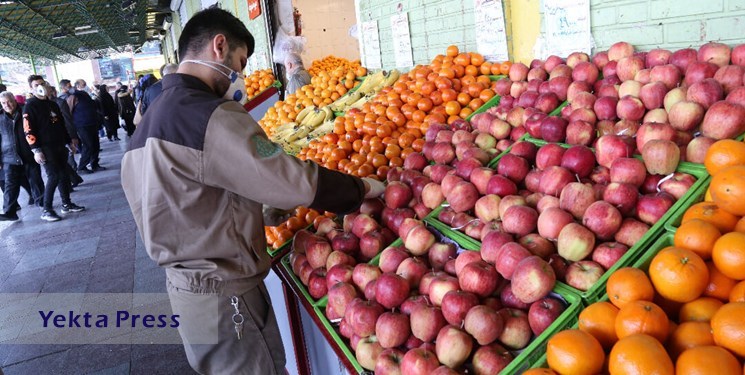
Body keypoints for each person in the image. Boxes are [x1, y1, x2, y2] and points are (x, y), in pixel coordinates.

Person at [120, 8, 384, 375]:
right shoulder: (205, 114)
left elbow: (183, 202)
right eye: (240, 63)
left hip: (188, 294)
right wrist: (364, 188)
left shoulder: (150, 121)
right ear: (219, 46)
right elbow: (292, 179)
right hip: (227, 297)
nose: (240, 77)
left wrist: (251, 213)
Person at [23, 77, 85, 222]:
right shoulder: (30, 105)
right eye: (37, 85)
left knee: (63, 174)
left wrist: (69, 141)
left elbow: (61, 124)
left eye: (42, 83)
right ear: (31, 88)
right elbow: (28, 129)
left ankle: (66, 204)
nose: (41, 87)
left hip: (59, 145)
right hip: (44, 147)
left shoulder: (52, 104)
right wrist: (36, 149)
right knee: (53, 176)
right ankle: (47, 209)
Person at [0, 91, 45, 220]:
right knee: (10, 185)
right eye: (3, 103)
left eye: (9, 101)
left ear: (14, 100)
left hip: (27, 154)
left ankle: (43, 205)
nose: (7, 105)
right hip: (9, 157)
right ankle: (10, 212)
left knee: (35, 180)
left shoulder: (25, 113)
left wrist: (38, 149)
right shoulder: (0, 117)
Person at [66, 79, 104, 173]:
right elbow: (68, 112)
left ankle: (94, 164)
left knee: (95, 144)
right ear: (77, 86)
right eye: (83, 84)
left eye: (85, 84)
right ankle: (82, 167)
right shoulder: (73, 96)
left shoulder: (85, 94)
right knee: (88, 145)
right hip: (82, 125)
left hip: (91, 123)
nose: (85, 86)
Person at [49, 85, 84, 188]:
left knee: (68, 159)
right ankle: (73, 179)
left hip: (64, 135)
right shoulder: (41, 105)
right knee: (62, 162)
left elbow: (67, 120)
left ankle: (72, 180)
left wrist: (72, 136)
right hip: (53, 139)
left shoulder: (59, 102)